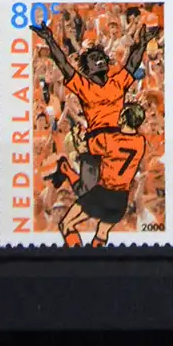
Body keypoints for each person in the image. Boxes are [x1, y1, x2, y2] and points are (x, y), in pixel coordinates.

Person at [33, 9, 159, 218]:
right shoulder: (83, 86)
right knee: (88, 195)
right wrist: (50, 40)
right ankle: (69, 177)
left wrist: (143, 43)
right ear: (87, 67)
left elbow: (132, 62)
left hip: (117, 141)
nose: (99, 60)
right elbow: (63, 64)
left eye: (101, 58)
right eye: (93, 59)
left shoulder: (118, 82)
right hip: (94, 143)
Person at [54, 100, 148, 248]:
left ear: (124, 117)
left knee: (66, 224)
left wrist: (76, 135)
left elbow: (82, 148)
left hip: (103, 193)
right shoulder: (141, 142)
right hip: (121, 198)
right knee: (102, 232)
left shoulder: (108, 139)